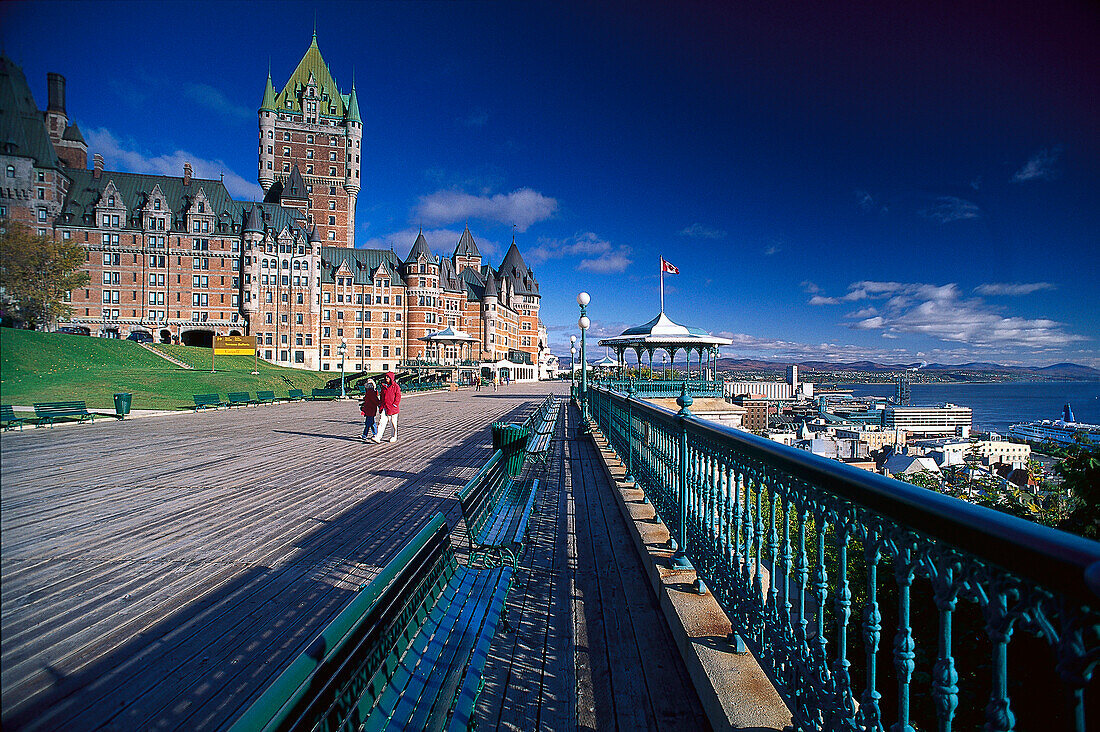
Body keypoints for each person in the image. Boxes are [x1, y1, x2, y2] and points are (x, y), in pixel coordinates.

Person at [374, 371, 402, 443]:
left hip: (393, 408)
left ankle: (394, 436)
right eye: (386, 377)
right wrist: (380, 404)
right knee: (381, 422)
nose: (386, 378)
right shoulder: (384, 386)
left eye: (388, 377)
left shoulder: (396, 386)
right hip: (384, 407)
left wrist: (395, 404)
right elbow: (382, 396)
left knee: (393, 423)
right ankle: (378, 437)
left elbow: (398, 396)